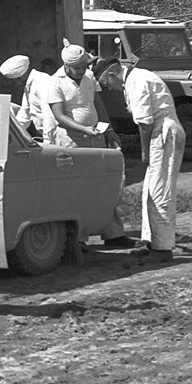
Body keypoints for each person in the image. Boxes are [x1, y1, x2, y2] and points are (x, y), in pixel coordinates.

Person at [96, 58, 185, 263]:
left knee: (159, 192)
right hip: (160, 132)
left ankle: (162, 248)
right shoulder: (136, 78)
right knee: (149, 191)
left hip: (162, 134)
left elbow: (145, 122)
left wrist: (144, 151)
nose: (109, 88)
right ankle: (150, 240)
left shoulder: (137, 82)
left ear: (112, 75)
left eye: (106, 83)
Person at [45, 44, 130, 248]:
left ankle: (113, 234)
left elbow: (98, 105)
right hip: (72, 142)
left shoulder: (89, 77)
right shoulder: (55, 82)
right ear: (66, 65)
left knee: (105, 184)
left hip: (95, 138)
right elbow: (59, 116)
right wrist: (84, 129)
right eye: (77, 68)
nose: (82, 70)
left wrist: (109, 130)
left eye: (84, 66)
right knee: (76, 189)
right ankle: (79, 239)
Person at [0, 54, 48, 139]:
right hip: (46, 136)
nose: (11, 84)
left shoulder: (42, 82)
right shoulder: (29, 86)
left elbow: (50, 115)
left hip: (56, 137)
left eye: (12, 81)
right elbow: (24, 114)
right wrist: (10, 133)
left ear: (19, 76)